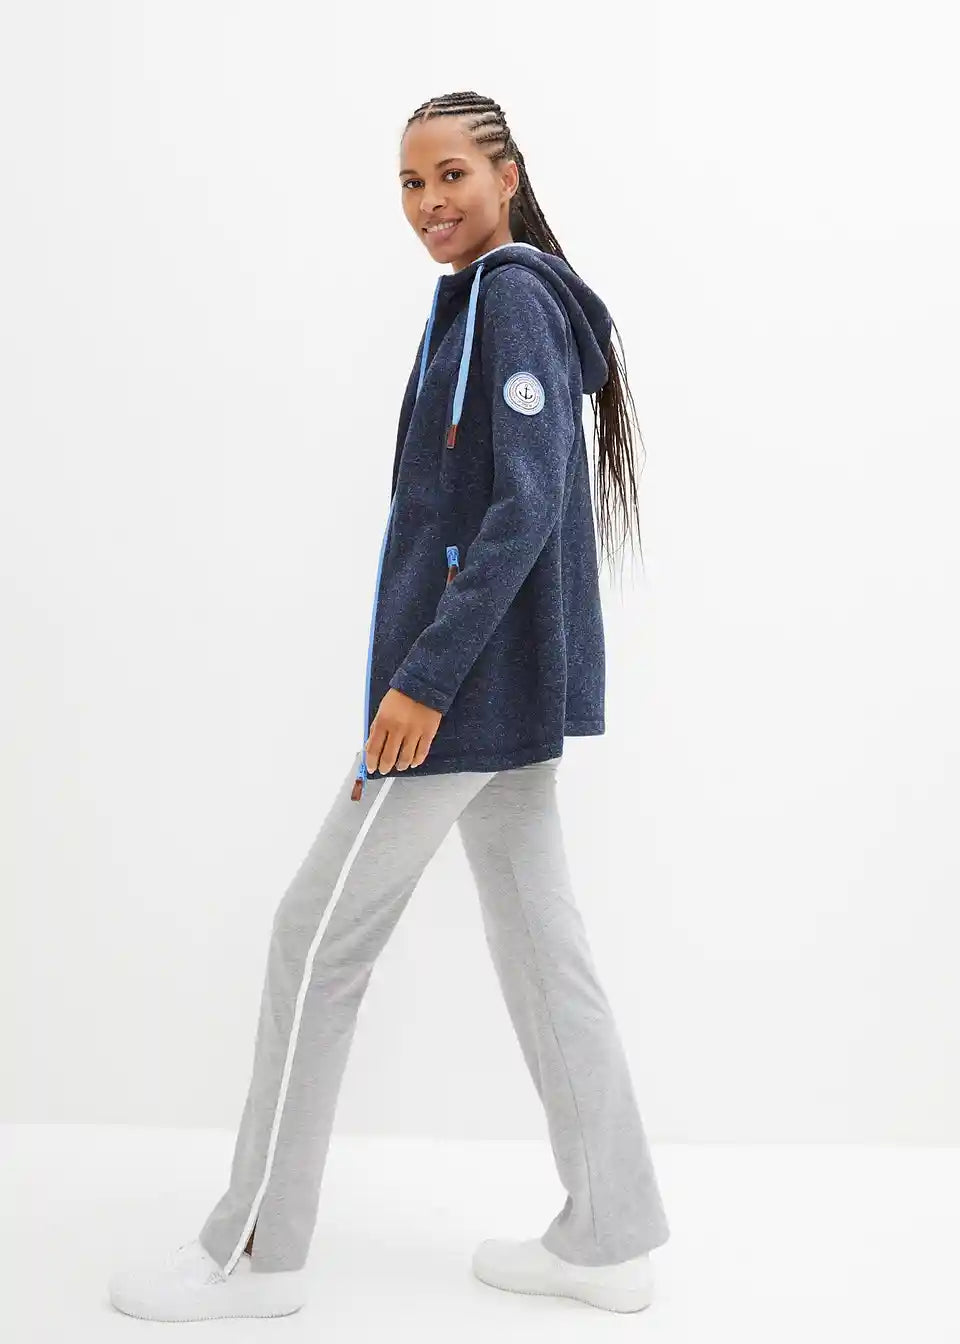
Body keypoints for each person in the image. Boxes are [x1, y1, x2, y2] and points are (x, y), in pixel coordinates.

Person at [108, 89, 670, 1324]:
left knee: (312, 942)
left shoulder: (509, 298)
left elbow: (523, 506)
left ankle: (254, 1256)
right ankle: (607, 1234)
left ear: (508, 174)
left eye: (451, 174)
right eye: (411, 184)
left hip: (460, 698)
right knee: (544, 954)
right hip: (505, 696)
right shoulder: (485, 300)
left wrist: (421, 680)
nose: (428, 203)